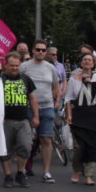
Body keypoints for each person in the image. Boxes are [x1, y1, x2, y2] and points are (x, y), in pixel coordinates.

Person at [20, 39, 61, 184]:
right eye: (38, 49)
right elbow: (17, 84)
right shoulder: (24, 67)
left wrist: (56, 101)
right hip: (28, 107)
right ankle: (22, 169)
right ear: (33, 50)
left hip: (47, 106)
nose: (40, 52)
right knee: (26, 140)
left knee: (46, 139)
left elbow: (56, 86)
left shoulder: (51, 68)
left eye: (43, 50)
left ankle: (46, 172)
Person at [0, 52, 37, 188]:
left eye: (17, 65)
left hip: (23, 120)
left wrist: (36, 116)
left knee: (26, 146)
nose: (14, 68)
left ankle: (20, 173)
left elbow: (32, 98)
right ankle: (8, 175)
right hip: (5, 120)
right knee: (5, 150)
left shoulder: (25, 79)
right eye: (11, 65)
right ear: (5, 65)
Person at [65, 52, 96, 186]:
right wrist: (69, 115)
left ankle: (89, 175)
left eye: (89, 60)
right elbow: (68, 99)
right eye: (85, 60)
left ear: (93, 63)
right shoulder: (73, 79)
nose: (87, 62)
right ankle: (76, 171)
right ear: (81, 63)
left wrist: (91, 85)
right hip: (78, 115)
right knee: (78, 146)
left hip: (93, 116)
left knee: (91, 146)